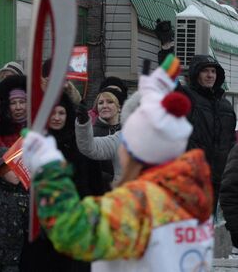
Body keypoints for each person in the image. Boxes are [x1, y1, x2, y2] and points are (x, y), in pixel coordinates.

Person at [22, 55, 214, 270]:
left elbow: (72, 232)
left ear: (135, 151)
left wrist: (49, 169)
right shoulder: (195, 196)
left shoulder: (137, 205)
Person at [19, 93, 106, 272]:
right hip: (38, 229)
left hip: (70, 225)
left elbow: (92, 185)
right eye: (53, 113)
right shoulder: (34, 143)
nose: (57, 118)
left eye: (62, 113)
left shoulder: (79, 146)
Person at [182, 54, 235, 203]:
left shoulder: (226, 106)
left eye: (213, 71)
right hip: (192, 178)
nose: (210, 75)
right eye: (205, 71)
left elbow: (230, 144)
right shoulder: (187, 97)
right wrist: (166, 48)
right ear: (195, 74)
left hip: (219, 179)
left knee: (209, 224)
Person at [89, 78, 127, 189]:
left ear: (119, 107)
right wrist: (110, 178)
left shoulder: (129, 132)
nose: (104, 106)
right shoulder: (91, 133)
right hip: (101, 190)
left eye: (110, 102)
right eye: (100, 103)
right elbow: (89, 168)